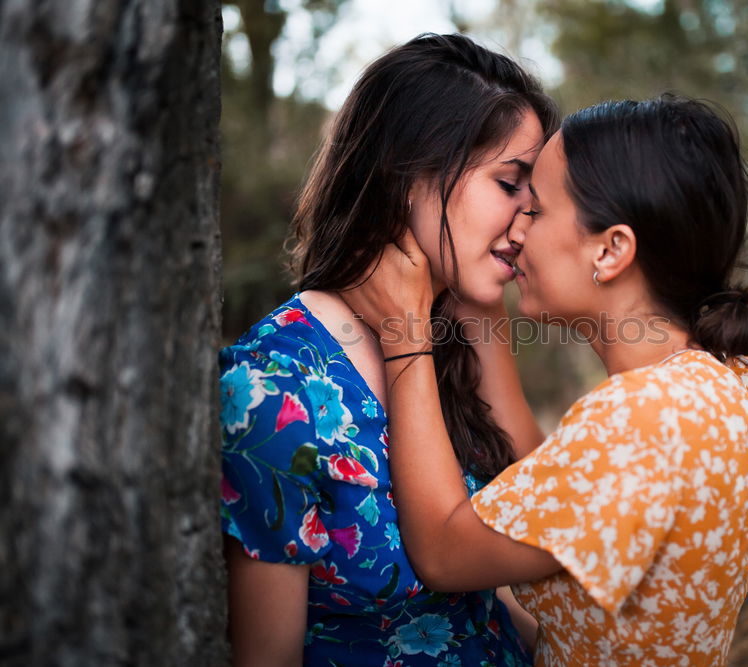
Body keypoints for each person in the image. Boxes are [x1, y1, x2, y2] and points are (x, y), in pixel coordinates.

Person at [342, 93, 748, 666]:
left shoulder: (644, 418)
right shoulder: (725, 382)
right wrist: (481, 311)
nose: (518, 229)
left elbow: (443, 552)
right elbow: (553, 487)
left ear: (610, 250)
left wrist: (403, 336)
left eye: (538, 208)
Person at [219, 33, 558, 666]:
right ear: (408, 174)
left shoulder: (455, 334)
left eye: (534, 197)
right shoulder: (272, 389)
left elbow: (528, 543)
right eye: (510, 184)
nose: (527, 219)